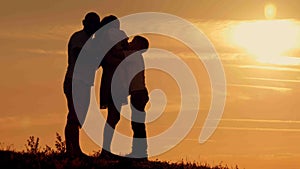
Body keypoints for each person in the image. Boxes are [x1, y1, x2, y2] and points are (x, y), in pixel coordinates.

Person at [63, 12, 101, 157]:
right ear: (84, 23)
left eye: (95, 23)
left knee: (78, 116)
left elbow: (93, 64)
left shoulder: (92, 42)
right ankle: (71, 151)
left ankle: (74, 149)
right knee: (74, 115)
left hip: (84, 83)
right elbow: (81, 57)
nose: (93, 26)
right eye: (91, 22)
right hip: (75, 81)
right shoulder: (79, 37)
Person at [97, 15, 129, 158]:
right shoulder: (113, 37)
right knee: (113, 116)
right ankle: (105, 150)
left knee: (113, 116)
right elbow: (114, 58)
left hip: (111, 78)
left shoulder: (103, 40)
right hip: (114, 79)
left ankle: (106, 150)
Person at [125, 36, 149, 159]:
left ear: (139, 46)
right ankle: (139, 152)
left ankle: (140, 153)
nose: (130, 42)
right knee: (137, 124)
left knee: (137, 124)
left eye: (133, 42)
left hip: (138, 94)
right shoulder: (135, 56)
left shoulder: (133, 55)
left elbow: (117, 55)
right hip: (139, 93)